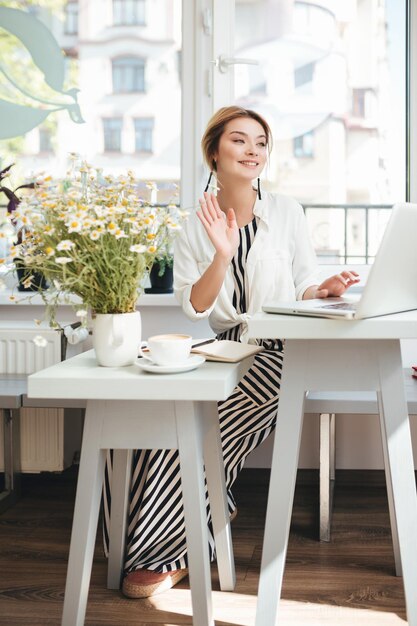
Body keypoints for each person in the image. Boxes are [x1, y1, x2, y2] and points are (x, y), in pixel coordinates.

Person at [103, 105, 360, 599]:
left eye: (261, 142)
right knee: (156, 418)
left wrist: (323, 287)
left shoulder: (287, 211)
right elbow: (197, 308)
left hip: (283, 353)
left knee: (195, 429)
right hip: (221, 348)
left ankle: (166, 551)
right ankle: (175, 522)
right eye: (240, 140)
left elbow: (304, 284)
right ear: (214, 152)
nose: (253, 150)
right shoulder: (191, 223)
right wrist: (222, 254)